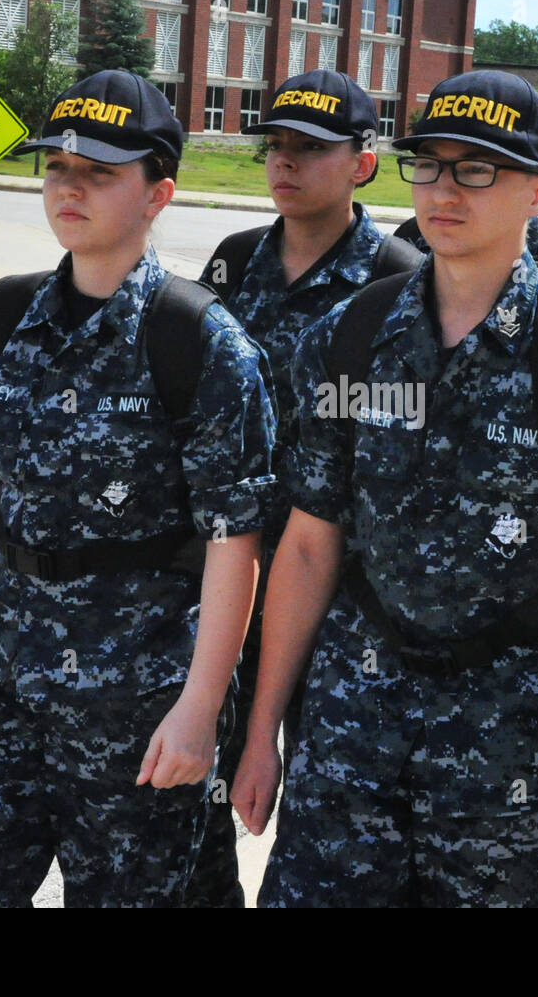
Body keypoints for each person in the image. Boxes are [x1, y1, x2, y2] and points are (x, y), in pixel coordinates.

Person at [232, 69, 538, 907]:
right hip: (350, 737)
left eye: (477, 168)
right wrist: (263, 733)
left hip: (514, 754)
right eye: (430, 164)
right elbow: (306, 545)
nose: (446, 189)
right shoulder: (351, 336)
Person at [0, 69, 276, 907]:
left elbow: (234, 540)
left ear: (157, 193)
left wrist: (203, 706)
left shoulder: (199, 341)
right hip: (1, 673)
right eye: (58, 166)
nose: (71, 186)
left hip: (140, 694)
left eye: (100, 172)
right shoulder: (6, 313)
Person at [186, 70, 384, 908]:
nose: (286, 162)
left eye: (311, 147)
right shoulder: (233, 265)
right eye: (277, 145)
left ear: (363, 164)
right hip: (226, 578)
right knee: (188, 799)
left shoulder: (400, 279)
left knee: (322, 814)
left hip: (342, 596)